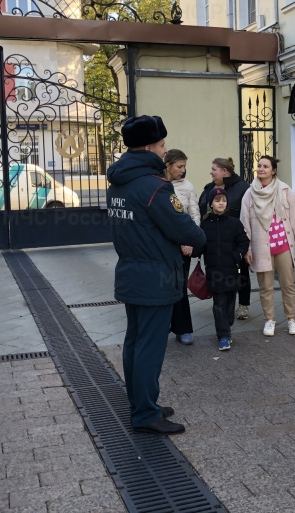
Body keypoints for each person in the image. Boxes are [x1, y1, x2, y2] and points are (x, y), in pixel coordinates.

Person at [107, 115, 206, 435]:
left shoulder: (119, 183)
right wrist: (201, 239)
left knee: (135, 341)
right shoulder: (155, 187)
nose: (165, 150)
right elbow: (184, 227)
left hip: (131, 271)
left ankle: (140, 402)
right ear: (149, 146)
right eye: (162, 144)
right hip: (155, 275)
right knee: (149, 345)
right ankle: (145, 413)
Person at [241, 156, 295, 337]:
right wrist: (247, 248)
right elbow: (244, 223)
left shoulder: (285, 190)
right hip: (260, 247)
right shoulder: (250, 193)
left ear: (273, 170)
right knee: (266, 287)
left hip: (283, 245)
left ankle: (291, 319)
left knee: (288, 284)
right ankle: (269, 320)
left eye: (265, 166)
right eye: (259, 166)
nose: (261, 169)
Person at [195, 187, 250, 351]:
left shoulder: (234, 223)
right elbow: (200, 246)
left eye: (224, 200)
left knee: (229, 302)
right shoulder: (205, 225)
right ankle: (223, 335)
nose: (221, 203)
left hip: (232, 269)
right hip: (214, 271)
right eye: (217, 200)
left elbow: (244, 242)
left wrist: (237, 255)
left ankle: (227, 325)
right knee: (219, 303)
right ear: (211, 203)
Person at [198, 158, 252, 320]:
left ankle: (243, 305)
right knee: (216, 272)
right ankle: (220, 303)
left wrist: (245, 246)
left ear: (224, 171)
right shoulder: (209, 188)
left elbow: (249, 213)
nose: (211, 172)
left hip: (235, 237)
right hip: (214, 236)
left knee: (241, 273)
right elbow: (201, 207)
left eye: (214, 169)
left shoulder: (242, 187)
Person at [164, 149, 200, 346]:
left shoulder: (187, 186)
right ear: (168, 165)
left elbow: (194, 215)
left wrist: (190, 241)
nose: (183, 170)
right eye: (179, 166)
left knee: (179, 287)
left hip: (183, 247)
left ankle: (183, 328)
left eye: (185, 166)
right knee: (162, 287)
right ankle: (161, 327)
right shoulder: (159, 184)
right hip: (163, 246)